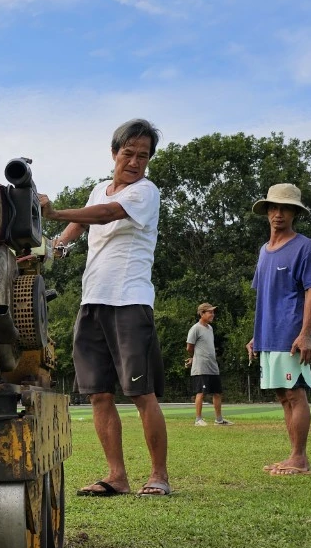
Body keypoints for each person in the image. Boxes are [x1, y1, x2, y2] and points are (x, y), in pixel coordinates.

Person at [40, 118, 171, 496]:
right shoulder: (100, 188)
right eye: (128, 153)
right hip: (92, 301)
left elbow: (105, 214)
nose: (134, 162)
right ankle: (117, 476)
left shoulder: (146, 193)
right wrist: (52, 247)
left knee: (141, 394)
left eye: (142, 156)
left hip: (129, 302)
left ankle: (158, 476)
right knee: (98, 393)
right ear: (114, 153)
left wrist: (53, 213)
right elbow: (80, 226)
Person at [245, 183, 311, 476]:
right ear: (267, 211)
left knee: (295, 394)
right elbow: (265, 295)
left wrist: (305, 333)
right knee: (283, 396)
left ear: (295, 213)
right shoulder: (264, 251)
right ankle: (293, 456)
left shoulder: (304, 247)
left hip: (290, 334)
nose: (278, 214)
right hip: (268, 335)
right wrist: (257, 335)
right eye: (274, 207)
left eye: (286, 209)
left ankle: (300, 458)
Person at [185, 303, 231, 425]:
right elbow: (189, 347)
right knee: (201, 392)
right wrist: (194, 357)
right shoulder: (195, 328)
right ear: (202, 313)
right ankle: (198, 419)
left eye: (213, 312)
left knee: (217, 392)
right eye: (210, 312)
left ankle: (219, 420)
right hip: (201, 367)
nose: (212, 314)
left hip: (213, 366)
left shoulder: (210, 329)